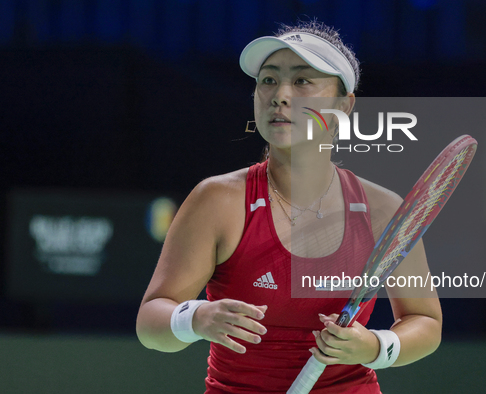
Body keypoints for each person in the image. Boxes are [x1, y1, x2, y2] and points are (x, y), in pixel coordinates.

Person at [136, 20, 442, 393]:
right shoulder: (217, 200)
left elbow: (424, 321)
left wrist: (376, 346)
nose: (280, 95)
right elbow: (151, 323)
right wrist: (196, 318)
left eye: (301, 81)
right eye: (268, 80)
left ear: (343, 106)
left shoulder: (381, 209)